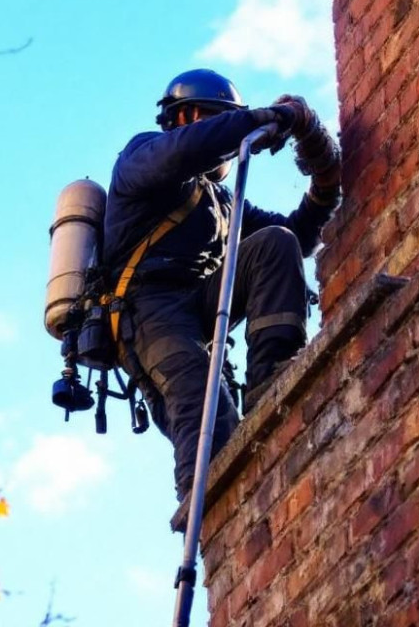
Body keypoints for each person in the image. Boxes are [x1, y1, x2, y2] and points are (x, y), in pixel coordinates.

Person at [101, 69, 341, 501]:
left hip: (199, 306)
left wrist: (321, 195)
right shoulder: (144, 156)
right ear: (185, 117)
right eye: (212, 119)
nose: (222, 138)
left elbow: (296, 238)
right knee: (207, 414)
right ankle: (206, 514)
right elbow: (186, 151)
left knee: (274, 244)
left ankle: (272, 380)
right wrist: (268, 118)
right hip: (150, 311)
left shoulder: (223, 202)